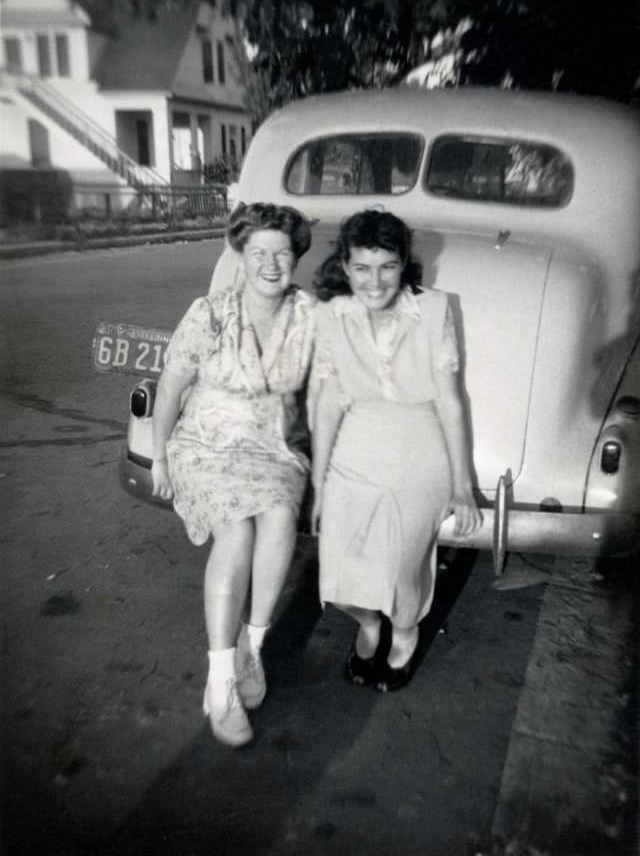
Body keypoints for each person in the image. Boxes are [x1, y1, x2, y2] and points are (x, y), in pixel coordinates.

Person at [151, 202, 315, 747]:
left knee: (280, 519)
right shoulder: (211, 313)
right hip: (205, 444)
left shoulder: (309, 316)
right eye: (259, 252)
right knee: (237, 530)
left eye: (282, 252)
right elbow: (171, 387)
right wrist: (158, 456)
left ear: (296, 258)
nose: (271, 263)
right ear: (240, 256)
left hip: (271, 449)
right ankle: (221, 680)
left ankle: (252, 651)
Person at [309, 209, 482, 692]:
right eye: (362, 267)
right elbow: (326, 403)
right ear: (344, 265)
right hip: (356, 447)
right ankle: (368, 624)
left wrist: (462, 486)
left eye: (387, 265)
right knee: (340, 567)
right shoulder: (330, 315)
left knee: (401, 564)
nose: (374, 280)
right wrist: (319, 484)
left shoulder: (434, 309)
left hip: (418, 448)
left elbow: (449, 399)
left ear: (404, 263)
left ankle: (404, 629)